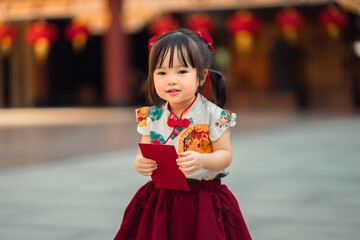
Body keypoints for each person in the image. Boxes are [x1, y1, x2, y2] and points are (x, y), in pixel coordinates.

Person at [114, 29, 252, 240]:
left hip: (203, 198)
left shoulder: (213, 115)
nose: (171, 80)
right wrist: (140, 162)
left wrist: (203, 160)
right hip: (161, 199)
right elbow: (144, 150)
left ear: (201, 76)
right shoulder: (151, 116)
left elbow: (225, 155)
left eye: (181, 71)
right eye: (161, 73)